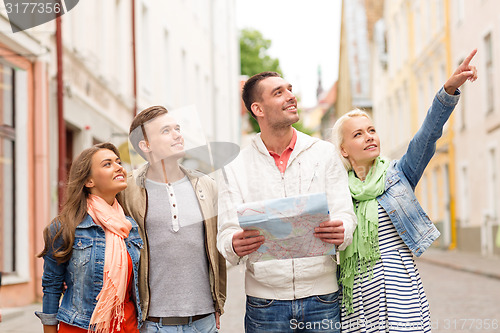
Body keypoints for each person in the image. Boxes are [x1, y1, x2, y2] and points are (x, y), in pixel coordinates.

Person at [331, 49, 478, 332]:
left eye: (371, 130)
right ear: (343, 149)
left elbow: (427, 135)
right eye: (358, 134)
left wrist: (448, 91)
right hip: (357, 302)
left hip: (402, 298)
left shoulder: (399, 174)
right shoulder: (337, 192)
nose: (369, 136)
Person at [217, 71, 357, 332]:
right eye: (278, 92)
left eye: (289, 89)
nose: (291, 96)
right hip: (265, 305)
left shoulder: (324, 153)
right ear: (257, 109)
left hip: (323, 298)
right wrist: (234, 244)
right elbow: (226, 234)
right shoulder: (235, 167)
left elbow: (346, 215)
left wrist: (342, 230)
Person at [121, 106, 226, 333]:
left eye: (177, 128)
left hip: (204, 322)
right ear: (145, 145)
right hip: (152, 324)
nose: (178, 134)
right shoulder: (126, 189)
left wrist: (219, 301)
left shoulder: (206, 186)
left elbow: (218, 246)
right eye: (166, 130)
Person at [35, 143, 143, 333]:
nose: (119, 167)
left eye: (118, 162)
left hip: (127, 326)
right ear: (89, 181)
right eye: (107, 164)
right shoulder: (64, 227)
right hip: (81, 328)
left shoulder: (130, 226)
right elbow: (52, 287)